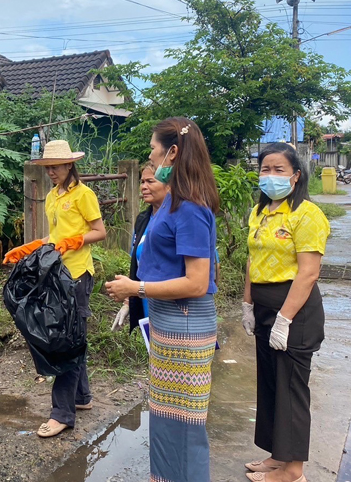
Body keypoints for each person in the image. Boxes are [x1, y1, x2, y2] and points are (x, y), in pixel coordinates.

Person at [105, 118, 219, 482]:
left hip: (187, 326)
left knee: (184, 426)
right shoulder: (169, 207)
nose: (151, 156)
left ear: (172, 152)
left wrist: (135, 289)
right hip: (169, 324)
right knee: (167, 418)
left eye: (154, 150)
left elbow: (198, 282)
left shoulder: (190, 209)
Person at [4, 140, 107, 439]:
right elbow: (55, 234)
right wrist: (32, 246)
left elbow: (100, 232)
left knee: (66, 340)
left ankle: (61, 413)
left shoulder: (83, 194)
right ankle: (81, 397)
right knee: (71, 336)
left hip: (76, 275)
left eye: (57, 166)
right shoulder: (52, 196)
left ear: (70, 165)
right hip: (57, 274)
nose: (52, 171)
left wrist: (75, 242)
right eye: (48, 167)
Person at [241, 143, 329, 482]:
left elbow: (308, 272)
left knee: (291, 386)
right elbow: (253, 261)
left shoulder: (307, 215)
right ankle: (278, 456)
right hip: (264, 305)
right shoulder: (260, 212)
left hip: (295, 309)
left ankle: (293, 471)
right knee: (271, 382)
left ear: (295, 176)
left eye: (279, 170)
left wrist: (285, 319)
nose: (270, 175)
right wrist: (248, 303)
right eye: (265, 169)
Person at [111, 163, 168, 333]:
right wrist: (129, 301)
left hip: (173, 308)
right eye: (142, 182)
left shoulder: (179, 219)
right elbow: (137, 265)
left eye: (150, 181)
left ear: (169, 184)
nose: (144, 187)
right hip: (147, 304)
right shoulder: (143, 219)